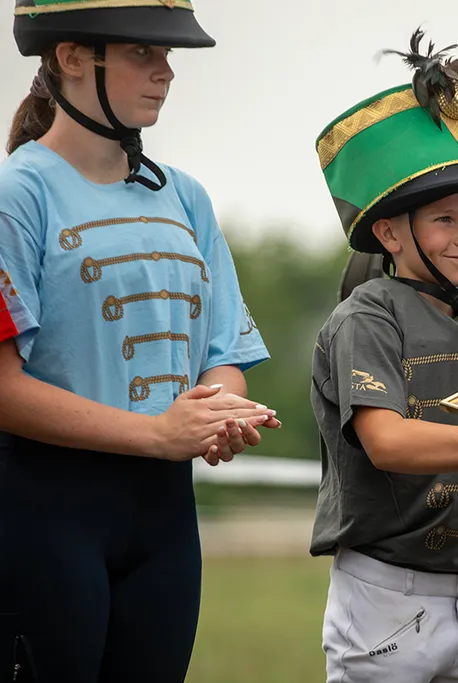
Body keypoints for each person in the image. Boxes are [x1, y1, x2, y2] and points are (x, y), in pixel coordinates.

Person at [0, 1, 275, 681]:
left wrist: (218, 414)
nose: (166, 72)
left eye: (167, 54)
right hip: (45, 512)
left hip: (166, 518)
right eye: (141, 53)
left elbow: (223, 354)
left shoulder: (186, 197)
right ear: (70, 58)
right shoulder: (17, 194)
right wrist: (157, 433)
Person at [309, 29, 458, 683]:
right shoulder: (367, 316)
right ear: (388, 230)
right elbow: (385, 441)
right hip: (386, 600)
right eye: (445, 219)